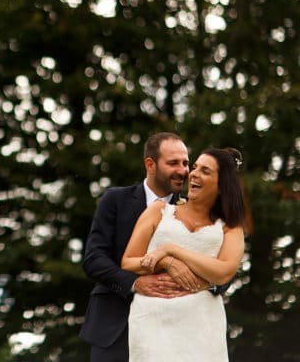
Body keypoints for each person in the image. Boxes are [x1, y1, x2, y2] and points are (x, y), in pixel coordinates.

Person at [79, 132, 210, 361]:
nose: (183, 171)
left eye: (185, 163)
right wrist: (135, 283)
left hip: (175, 332)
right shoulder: (115, 200)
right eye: (173, 163)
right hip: (115, 329)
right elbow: (94, 259)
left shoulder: (197, 209)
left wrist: (200, 284)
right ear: (150, 165)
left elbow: (222, 265)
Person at [121, 147, 250, 361]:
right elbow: (128, 262)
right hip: (152, 319)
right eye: (195, 167)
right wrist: (167, 261)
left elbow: (224, 272)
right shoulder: (158, 211)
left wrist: (173, 249)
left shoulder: (230, 226)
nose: (194, 174)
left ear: (221, 186)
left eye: (205, 171)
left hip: (201, 322)